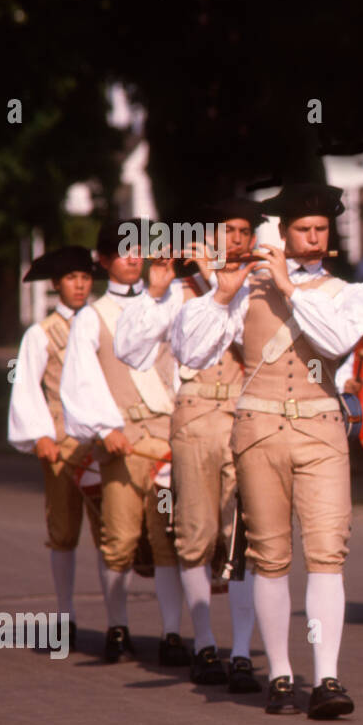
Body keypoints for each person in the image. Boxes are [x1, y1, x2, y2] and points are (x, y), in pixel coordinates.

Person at [174, 183, 363, 716]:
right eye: (302, 230)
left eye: (321, 230)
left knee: (329, 551)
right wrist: (220, 292)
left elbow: (334, 343)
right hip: (258, 427)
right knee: (269, 554)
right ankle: (281, 674)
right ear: (282, 235)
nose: (313, 238)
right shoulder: (245, 290)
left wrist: (288, 285)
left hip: (322, 428)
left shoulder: (349, 293)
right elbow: (190, 350)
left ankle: (327, 678)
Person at [113, 199, 266, 691]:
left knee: (248, 534)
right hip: (197, 411)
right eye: (228, 231)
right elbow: (131, 350)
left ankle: (241, 651)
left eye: (244, 231)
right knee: (195, 532)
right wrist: (157, 293)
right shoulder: (180, 289)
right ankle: (204, 644)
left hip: (250, 411)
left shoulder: (265, 284)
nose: (237, 240)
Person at [61, 219, 184, 665]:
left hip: (170, 434)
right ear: (103, 260)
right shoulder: (92, 317)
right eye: (123, 251)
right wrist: (104, 429)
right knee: (120, 536)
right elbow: (80, 381)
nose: (133, 259)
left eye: (139, 250)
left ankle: (172, 632)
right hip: (124, 437)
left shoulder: (171, 303)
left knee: (168, 533)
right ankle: (118, 626)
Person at [8, 245, 105, 646]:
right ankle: (65, 615)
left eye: (85, 278)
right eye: (71, 278)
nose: (80, 285)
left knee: (111, 533)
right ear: (56, 284)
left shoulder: (102, 323)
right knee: (63, 530)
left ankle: (117, 621)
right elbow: (27, 386)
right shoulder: (41, 333)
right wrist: (40, 435)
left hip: (101, 442)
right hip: (62, 441)